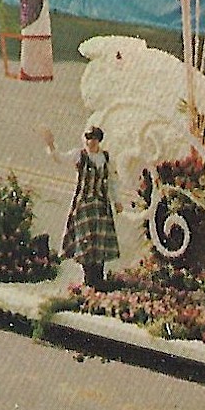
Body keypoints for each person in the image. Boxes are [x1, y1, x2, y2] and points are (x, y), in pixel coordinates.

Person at [41, 125, 119, 291]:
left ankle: (99, 279)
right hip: (84, 205)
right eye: (88, 138)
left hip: (101, 206)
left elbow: (112, 181)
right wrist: (51, 145)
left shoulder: (106, 158)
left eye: (94, 139)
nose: (91, 142)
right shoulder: (80, 155)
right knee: (85, 241)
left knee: (100, 242)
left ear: (99, 140)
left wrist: (117, 201)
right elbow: (60, 158)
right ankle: (88, 278)